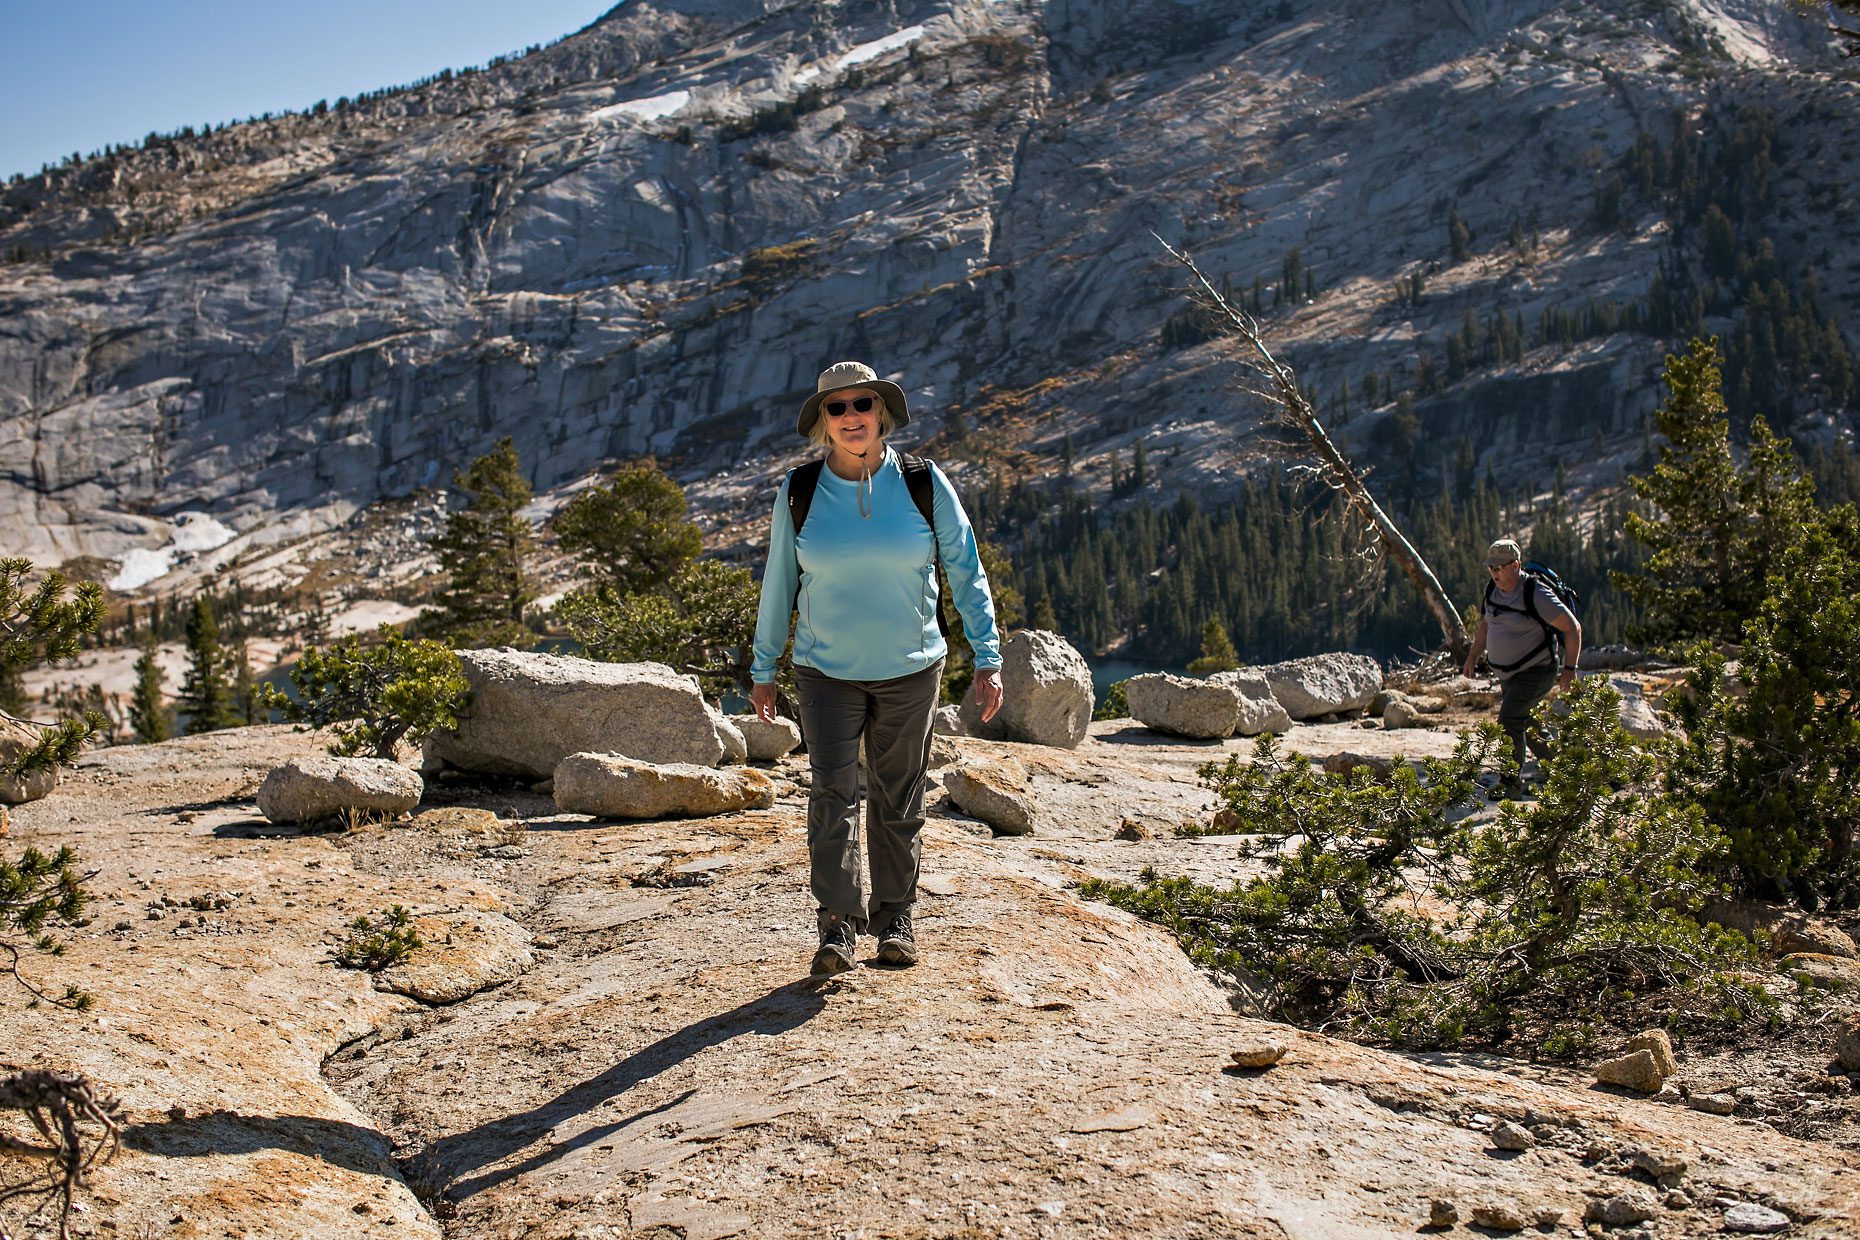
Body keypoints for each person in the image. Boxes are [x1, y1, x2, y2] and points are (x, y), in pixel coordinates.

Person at [750, 361, 1004, 977]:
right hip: (823, 670)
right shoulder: (800, 490)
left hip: (911, 667)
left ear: (881, 413)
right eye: (836, 409)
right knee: (832, 794)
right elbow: (779, 581)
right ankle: (837, 924)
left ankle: (895, 916)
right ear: (823, 423)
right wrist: (763, 667)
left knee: (898, 794)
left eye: (862, 404)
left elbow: (965, 568)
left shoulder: (923, 482)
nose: (851, 417)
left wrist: (987, 656)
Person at [1462, 538, 1582, 795]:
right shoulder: (1491, 590)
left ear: (1515, 565)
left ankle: (1510, 784)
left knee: (1509, 720)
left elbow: (1572, 628)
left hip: (1537, 670)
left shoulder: (1535, 593)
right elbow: (1486, 625)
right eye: (1491, 568)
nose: (1494, 573)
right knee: (1527, 721)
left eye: (1499, 567)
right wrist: (1473, 656)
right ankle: (1562, 771)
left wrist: (1570, 669)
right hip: (1509, 674)